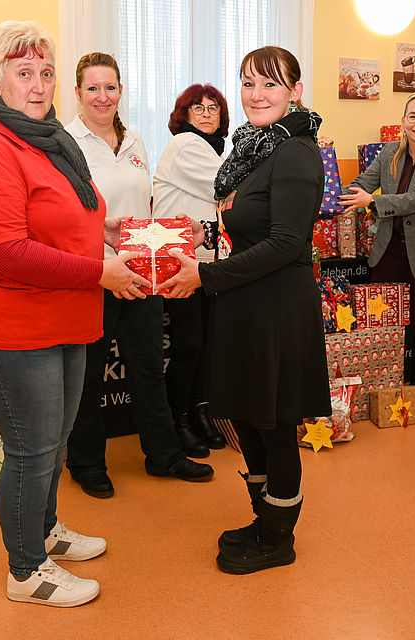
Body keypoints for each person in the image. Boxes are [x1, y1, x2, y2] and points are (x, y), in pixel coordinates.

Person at [0, 21, 150, 607]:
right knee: (31, 449)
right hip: (13, 328)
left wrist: (108, 229)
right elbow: (6, 251)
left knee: (55, 440)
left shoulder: (42, 139)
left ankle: (44, 530)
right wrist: (100, 271)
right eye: (23, 73)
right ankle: (26, 570)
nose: (38, 86)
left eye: (44, 73)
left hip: (61, 319)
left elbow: (62, 218)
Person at [161, 46, 330, 574]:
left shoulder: (297, 153)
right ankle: (263, 518)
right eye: (248, 83)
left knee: (275, 425)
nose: (257, 95)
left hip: (275, 309)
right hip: (244, 301)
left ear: (295, 91)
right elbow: (247, 229)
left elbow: (286, 243)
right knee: (249, 419)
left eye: (271, 84)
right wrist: (200, 244)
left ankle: (279, 537)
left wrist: (204, 274)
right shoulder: (252, 149)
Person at [65, 52, 214, 499]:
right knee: (89, 375)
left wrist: (174, 233)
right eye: (93, 88)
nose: (102, 96)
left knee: (149, 368)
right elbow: (67, 217)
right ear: (77, 93)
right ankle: (87, 462)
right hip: (96, 275)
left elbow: (143, 206)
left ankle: (163, 455)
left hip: (141, 272)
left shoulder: (135, 142)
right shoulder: (65, 144)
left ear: (120, 92)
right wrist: (99, 257)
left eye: (110, 87)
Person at [339, 90, 415, 401]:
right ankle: (382, 384)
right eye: (413, 116)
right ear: (403, 121)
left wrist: (373, 201)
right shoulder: (388, 153)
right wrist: (330, 195)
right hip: (388, 250)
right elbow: (362, 185)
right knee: (383, 319)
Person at [152, 83, 230, 455]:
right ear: (182, 115)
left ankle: (198, 414)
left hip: (204, 263)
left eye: (213, 108)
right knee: (190, 345)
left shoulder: (211, 150)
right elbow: (227, 186)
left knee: (207, 345)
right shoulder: (185, 145)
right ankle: (176, 420)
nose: (206, 114)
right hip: (177, 263)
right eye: (196, 108)